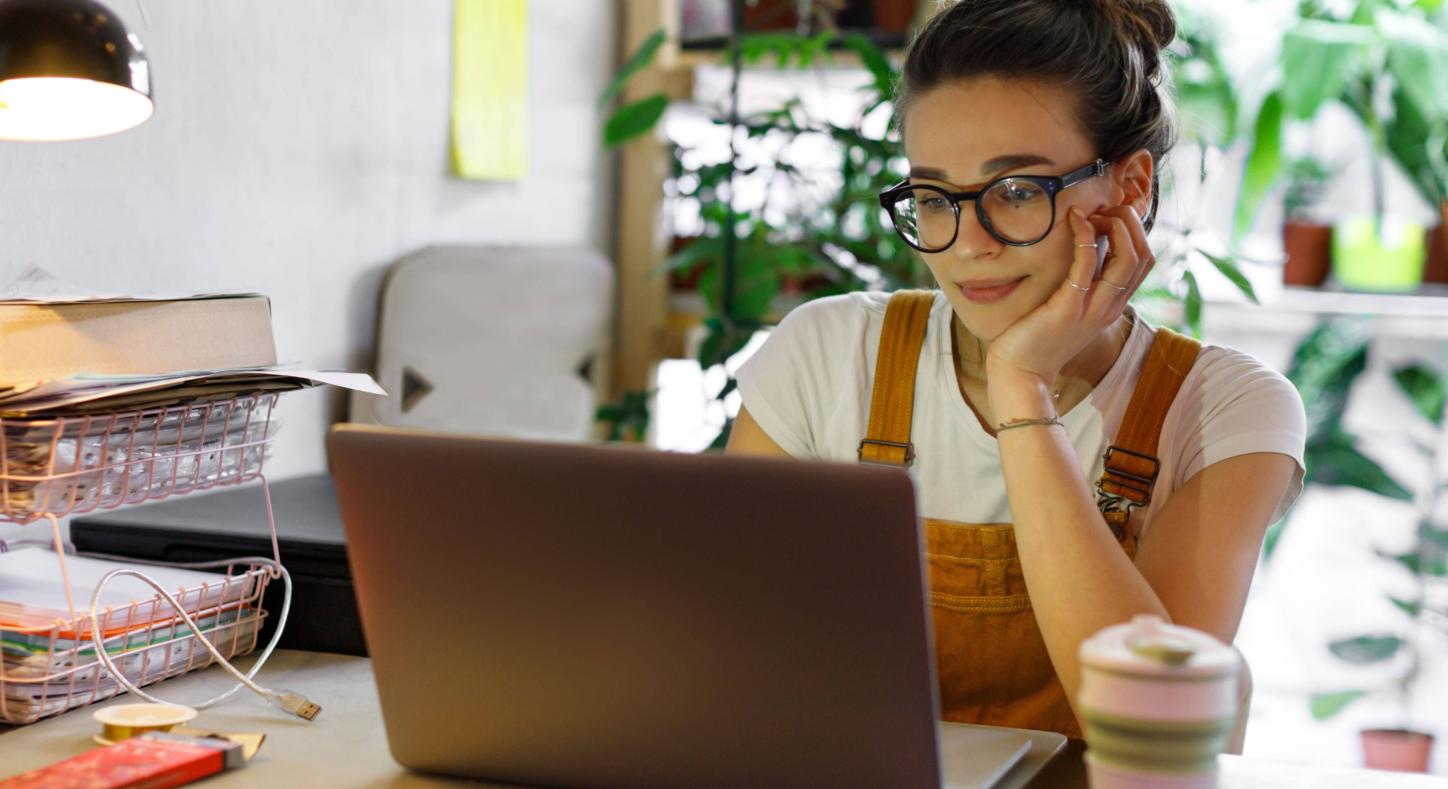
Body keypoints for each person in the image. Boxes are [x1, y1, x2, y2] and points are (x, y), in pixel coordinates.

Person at [726, 0, 1307, 739]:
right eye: (935, 197)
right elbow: (731, 655)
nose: (966, 243)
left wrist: (1022, 390)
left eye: (1017, 191)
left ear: (1129, 186)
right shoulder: (828, 353)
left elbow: (1154, 722)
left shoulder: (1225, 409)